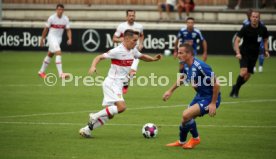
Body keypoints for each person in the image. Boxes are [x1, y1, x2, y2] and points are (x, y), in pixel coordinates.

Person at [79, 29, 162, 138]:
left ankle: (86, 130)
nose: (136, 43)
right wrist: (93, 66)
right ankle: (94, 116)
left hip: (118, 85)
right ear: (126, 39)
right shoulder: (117, 51)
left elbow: (142, 57)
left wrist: (154, 59)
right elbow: (99, 57)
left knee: (110, 114)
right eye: (134, 40)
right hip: (112, 83)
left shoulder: (133, 50)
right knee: (122, 107)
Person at [163, 43, 221, 149]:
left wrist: (213, 103)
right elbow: (183, 77)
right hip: (200, 96)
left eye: (181, 53)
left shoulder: (201, 66)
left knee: (186, 115)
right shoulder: (186, 64)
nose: (178, 55)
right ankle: (181, 141)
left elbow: (217, 83)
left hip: (210, 98)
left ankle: (195, 138)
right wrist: (170, 91)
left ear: (189, 54)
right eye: (178, 52)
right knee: (184, 121)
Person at [230, 10, 270, 98]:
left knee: (247, 76)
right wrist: (238, 52)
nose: (255, 19)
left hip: (254, 55)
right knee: (243, 71)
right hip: (244, 53)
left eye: (256, 17)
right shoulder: (245, 28)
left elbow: (266, 39)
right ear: (250, 18)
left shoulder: (263, 28)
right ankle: (236, 92)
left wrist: (266, 50)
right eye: (253, 17)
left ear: (259, 18)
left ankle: (235, 87)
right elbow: (237, 40)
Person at [113, 10, 144, 94]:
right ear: (126, 17)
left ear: (135, 16)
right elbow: (114, 38)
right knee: (123, 72)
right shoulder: (121, 26)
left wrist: (141, 43)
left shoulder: (139, 26)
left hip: (135, 51)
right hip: (123, 52)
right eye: (130, 15)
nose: (131, 17)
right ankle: (120, 84)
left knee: (132, 72)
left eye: (133, 15)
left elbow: (141, 35)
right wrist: (123, 39)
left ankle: (125, 84)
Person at [38, 4, 72, 79]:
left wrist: (70, 38)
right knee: (58, 52)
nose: (60, 11)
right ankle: (61, 74)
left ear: (63, 10)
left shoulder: (65, 19)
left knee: (50, 54)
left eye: (61, 9)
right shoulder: (52, 18)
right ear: (56, 10)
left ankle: (41, 72)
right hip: (51, 37)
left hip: (58, 39)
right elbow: (46, 29)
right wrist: (42, 39)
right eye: (58, 9)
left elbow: (68, 30)